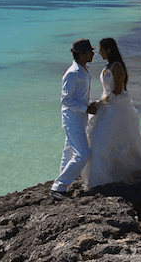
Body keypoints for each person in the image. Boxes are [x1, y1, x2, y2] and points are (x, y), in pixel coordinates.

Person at [80, 37, 141, 189]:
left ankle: (117, 172)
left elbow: (118, 91)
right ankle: (104, 173)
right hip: (107, 106)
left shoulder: (117, 67)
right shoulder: (108, 66)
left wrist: (99, 103)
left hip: (117, 108)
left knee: (108, 139)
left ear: (109, 50)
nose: (99, 53)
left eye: (101, 50)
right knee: (99, 139)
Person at [50, 39, 98, 200]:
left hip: (79, 117)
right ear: (82, 54)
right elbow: (65, 99)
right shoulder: (72, 73)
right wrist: (86, 108)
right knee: (83, 153)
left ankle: (62, 186)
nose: (93, 53)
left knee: (69, 152)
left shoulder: (83, 70)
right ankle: (59, 186)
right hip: (73, 118)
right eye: (90, 51)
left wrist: (87, 106)